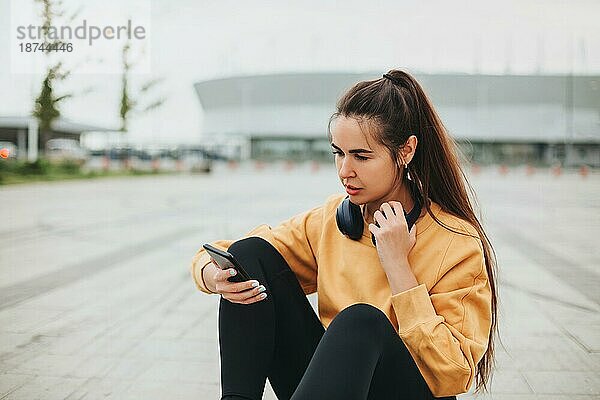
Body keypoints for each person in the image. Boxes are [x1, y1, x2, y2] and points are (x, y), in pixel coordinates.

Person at [190, 69, 498, 400]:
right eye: (339, 153)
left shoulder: (455, 241)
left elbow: (454, 371)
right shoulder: (332, 220)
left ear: (406, 151)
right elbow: (233, 254)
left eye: (361, 156)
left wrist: (398, 266)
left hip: (408, 392)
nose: (344, 171)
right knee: (251, 254)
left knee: (362, 322)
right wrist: (213, 277)